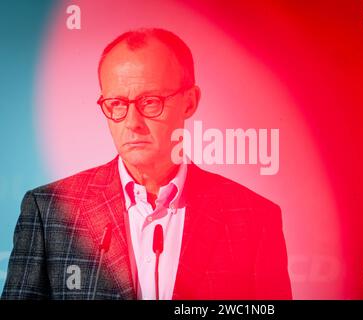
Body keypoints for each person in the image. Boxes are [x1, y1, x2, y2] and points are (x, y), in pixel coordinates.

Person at [1, 28, 292, 300]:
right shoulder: (48, 210)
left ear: (190, 102)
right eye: (116, 103)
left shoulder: (254, 219)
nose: (132, 123)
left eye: (150, 101)